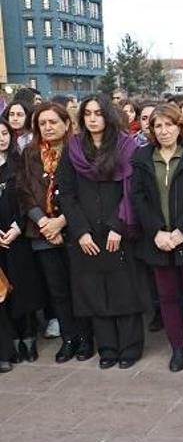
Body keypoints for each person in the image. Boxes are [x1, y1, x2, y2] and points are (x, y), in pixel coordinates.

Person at [57, 94, 149, 370]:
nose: (93, 118)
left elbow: (133, 189)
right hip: (86, 232)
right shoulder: (73, 148)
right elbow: (67, 194)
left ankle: (130, 347)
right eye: (88, 114)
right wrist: (81, 231)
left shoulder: (126, 146)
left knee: (124, 290)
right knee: (94, 291)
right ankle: (107, 347)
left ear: (108, 115)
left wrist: (117, 226)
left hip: (119, 229)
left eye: (98, 113)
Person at [131, 104, 183, 372]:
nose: (164, 131)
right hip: (158, 240)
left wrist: (181, 231)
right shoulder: (142, 157)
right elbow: (138, 198)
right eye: (158, 126)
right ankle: (178, 348)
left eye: (169, 125)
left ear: (180, 126)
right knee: (167, 297)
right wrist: (157, 231)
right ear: (152, 130)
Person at [17, 102, 94, 363]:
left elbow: (85, 193)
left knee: (78, 287)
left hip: (73, 229)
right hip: (42, 232)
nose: (47, 127)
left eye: (53, 122)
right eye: (42, 123)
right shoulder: (29, 153)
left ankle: (85, 338)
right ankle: (68, 338)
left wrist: (61, 222)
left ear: (66, 124)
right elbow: (25, 192)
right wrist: (44, 223)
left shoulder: (79, 150)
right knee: (57, 290)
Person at [0, 117, 45, 372]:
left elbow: (29, 198)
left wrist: (17, 228)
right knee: (2, 292)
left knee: (23, 286)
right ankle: (11, 340)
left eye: (5, 132)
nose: (1, 137)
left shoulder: (21, 164)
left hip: (19, 235)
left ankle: (29, 337)